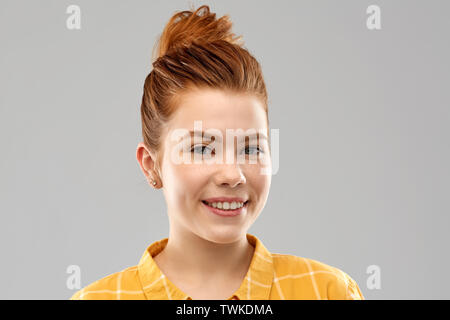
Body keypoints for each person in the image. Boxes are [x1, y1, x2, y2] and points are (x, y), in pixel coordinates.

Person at [70, 4, 364, 300]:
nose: (232, 175)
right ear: (151, 165)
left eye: (251, 148)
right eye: (201, 149)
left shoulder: (327, 292)